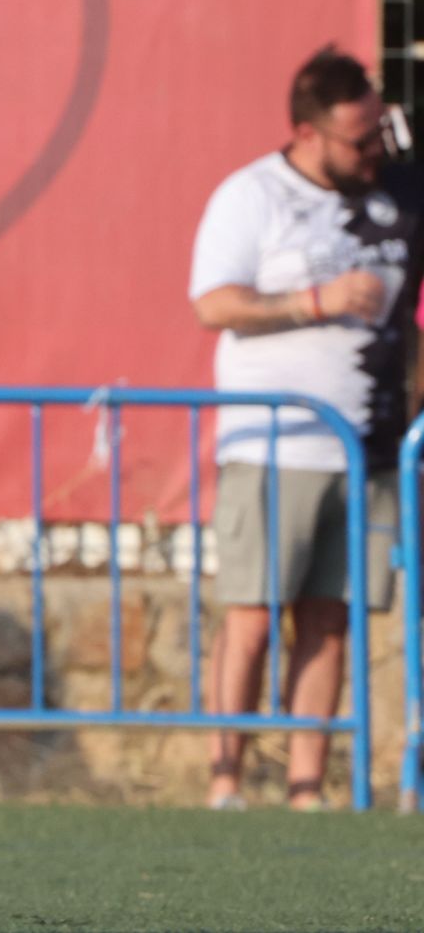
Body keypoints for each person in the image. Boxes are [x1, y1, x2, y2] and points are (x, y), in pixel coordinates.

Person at [190, 45, 418, 811]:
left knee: (330, 619)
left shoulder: (393, 197)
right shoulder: (253, 196)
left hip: (364, 446)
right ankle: (226, 781)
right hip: (275, 442)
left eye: (376, 137)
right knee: (253, 615)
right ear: (309, 132)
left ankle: (306, 786)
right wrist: (314, 303)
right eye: (357, 141)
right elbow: (213, 303)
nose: (371, 153)